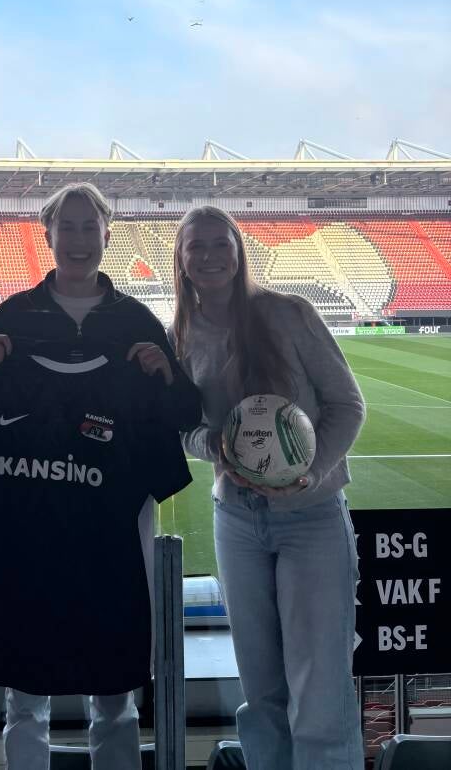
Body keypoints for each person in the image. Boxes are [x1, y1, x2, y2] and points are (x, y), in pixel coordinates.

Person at [0, 182, 201, 770]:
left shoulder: (136, 320)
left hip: (109, 534)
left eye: (87, 227)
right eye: (65, 227)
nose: (77, 239)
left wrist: (165, 377)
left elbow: (185, 413)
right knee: (24, 692)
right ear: (47, 236)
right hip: (26, 534)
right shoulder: (14, 315)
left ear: (106, 235)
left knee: (115, 691)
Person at [170, 206, 365, 770]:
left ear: (239, 250)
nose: (210, 255)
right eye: (196, 246)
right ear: (180, 259)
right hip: (236, 522)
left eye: (221, 243)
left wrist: (312, 471)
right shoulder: (179, 336)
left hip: (312, 518)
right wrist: (217, 448)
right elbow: (182, 428)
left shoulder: (288, 314)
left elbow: (347, 404)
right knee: (261, 693)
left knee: (320, 689)